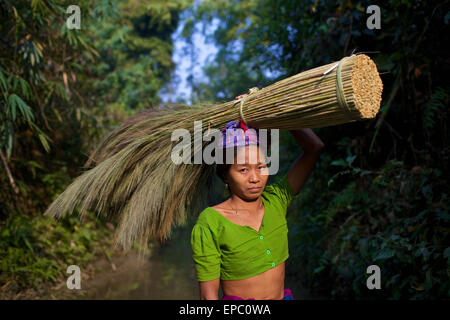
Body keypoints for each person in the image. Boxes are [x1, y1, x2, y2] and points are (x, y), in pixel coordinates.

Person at [190, 94, 325, 300]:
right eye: (243, 170)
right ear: (225, 174)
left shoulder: (277, 199)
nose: (255, 178)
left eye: (261, 167)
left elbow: (314, 148)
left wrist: (275, 107)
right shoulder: (211, 222)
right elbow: (208, 296)